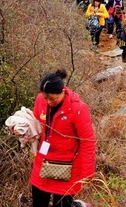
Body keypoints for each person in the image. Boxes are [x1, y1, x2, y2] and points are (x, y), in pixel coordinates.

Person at [29, 69, 95, 207]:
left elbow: (87, 141)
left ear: (63, 91)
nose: (49, 102)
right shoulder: (41, 100)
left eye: (53, 98)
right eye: (46, 98)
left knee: (62, 204)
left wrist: (87, 171)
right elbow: (36, 123)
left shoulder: (78, 109)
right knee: (38, 201)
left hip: (67, 164)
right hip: (43, 160)